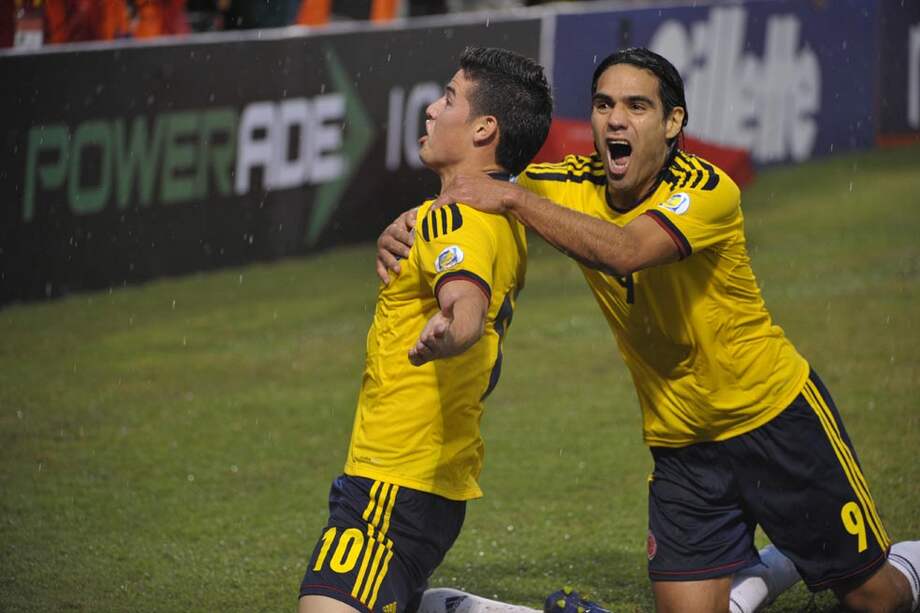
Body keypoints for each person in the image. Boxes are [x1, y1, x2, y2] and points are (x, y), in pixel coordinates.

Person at [376, 48, 920, 613]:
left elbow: (627, 251)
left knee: (876, 600)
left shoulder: (709, 190)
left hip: (772, 419)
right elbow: (472, 195)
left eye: (638, 106)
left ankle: (907, 560)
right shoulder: (562, 185)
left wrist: (511, 196)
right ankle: (767, 570)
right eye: (604, 104)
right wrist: (405, 228)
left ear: (673, 122)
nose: (616, 119)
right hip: (680, 445)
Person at [298, 47, 553, 613]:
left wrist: (452, 328)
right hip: (425, 475)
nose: (432, 110)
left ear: (485, 128)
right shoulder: (502, 218)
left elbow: (465, 302)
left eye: (449, 99)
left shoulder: (453, 216)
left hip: (397, 479)